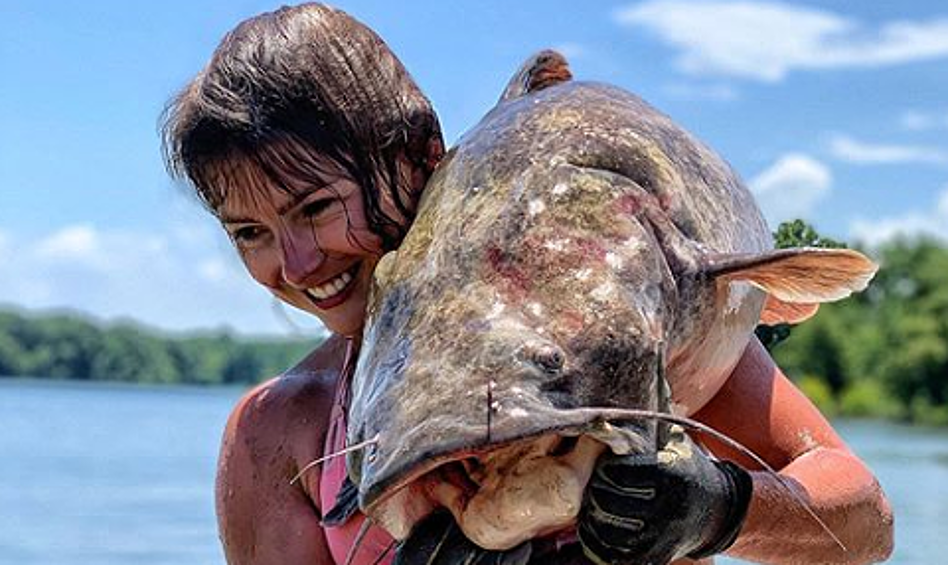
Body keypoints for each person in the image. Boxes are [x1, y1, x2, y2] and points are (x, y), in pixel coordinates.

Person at [161, 4, 893, 565]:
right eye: (248, 233)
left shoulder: (615, 333)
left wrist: (722, 506)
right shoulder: (277, 430)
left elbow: (864, 525)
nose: (292, 264)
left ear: (422, 158)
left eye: (315, 209)